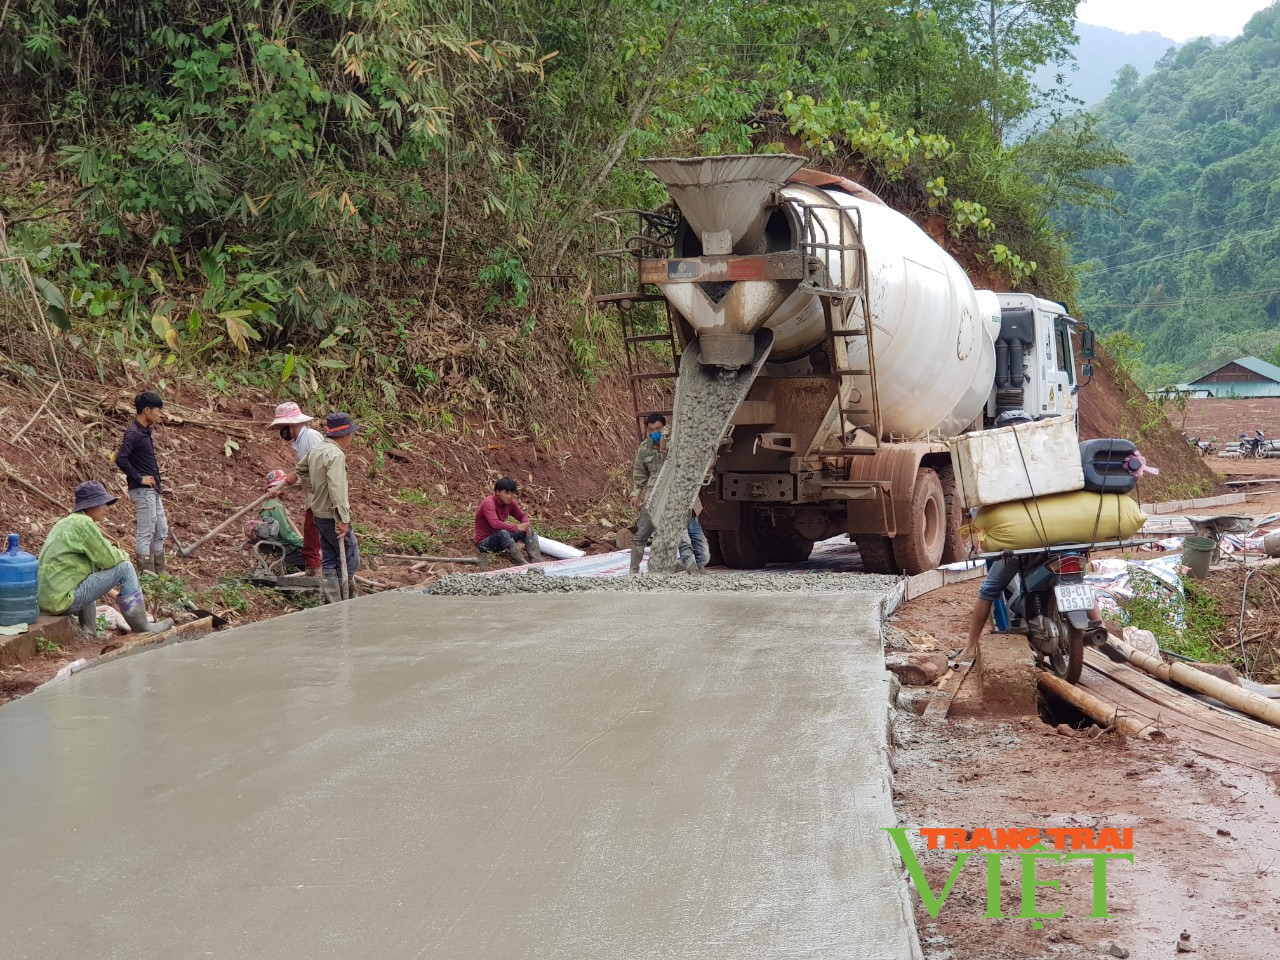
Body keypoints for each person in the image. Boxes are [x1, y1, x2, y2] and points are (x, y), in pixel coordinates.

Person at [37, 481, 174, 634]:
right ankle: (143, 626)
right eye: (102, 504)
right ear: (89, 505)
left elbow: (98, 561)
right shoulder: (83, 524)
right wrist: (125, 555)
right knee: (126, 568)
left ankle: (89, 631)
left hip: (46, 600)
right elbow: (109, 558)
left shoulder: (65, 523)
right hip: (60, 601)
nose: (106, 509)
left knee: (89, 571)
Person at [296, 412, 360, 602]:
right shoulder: (336, 455)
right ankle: (345, 595)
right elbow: (337, 488)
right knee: (350, 555)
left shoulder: (317, 449)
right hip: (332, 514)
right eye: (351, 434)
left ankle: (332, 599)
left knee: (330, 556)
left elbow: (300, 469)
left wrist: (313, 489)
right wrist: (343, 519)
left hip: (319, 512)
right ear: (343, 435)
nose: (351, 438)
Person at [628, 414, 695, 574]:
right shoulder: (645, 448)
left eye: (658, 429)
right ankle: (633, 573)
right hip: (652, 499)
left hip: (673, 497)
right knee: (641, 536)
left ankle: (693, 570)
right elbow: (640, 473)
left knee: (681, 536)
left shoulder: (676, 444)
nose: (654, 433)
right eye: (651, 430)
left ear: (665, 427)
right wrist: (636, 494)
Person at [264, 402, 324, 578]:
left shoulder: (311, 437)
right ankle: (315, 572)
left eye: (282, 427)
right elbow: (304, 478)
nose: (281, 431)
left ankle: (322, 574)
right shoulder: (299, 443)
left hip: (322, 496)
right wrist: (283, 490)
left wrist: (291, 477)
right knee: (311, 537)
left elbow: (315, 468)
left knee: (316, 537)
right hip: (313, 495)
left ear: (291, 424)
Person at [115, 390, 168, 574]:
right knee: (146, 533)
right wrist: (139, 477)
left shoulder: (145, 431)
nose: (160, 414)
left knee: (160, 530)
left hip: (153, 490)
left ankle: (159, 573)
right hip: (142, 490)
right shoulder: (134, 433)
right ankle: (147, 576)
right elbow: (121, 458)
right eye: (158, 410)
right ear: (147, 410)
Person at [475, 478, 542, 565]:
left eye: (512, 493)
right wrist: (516, 527)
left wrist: (526, 524)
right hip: (484, 544)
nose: (509, 496)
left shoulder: (510, 503)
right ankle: (521, 562)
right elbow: (495, 523)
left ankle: (537, 560)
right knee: (503, 533)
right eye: (506, 493)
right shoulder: (489, 502)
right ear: (497, 492)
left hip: (502, 541)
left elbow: (522, 516)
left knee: (527, 528)